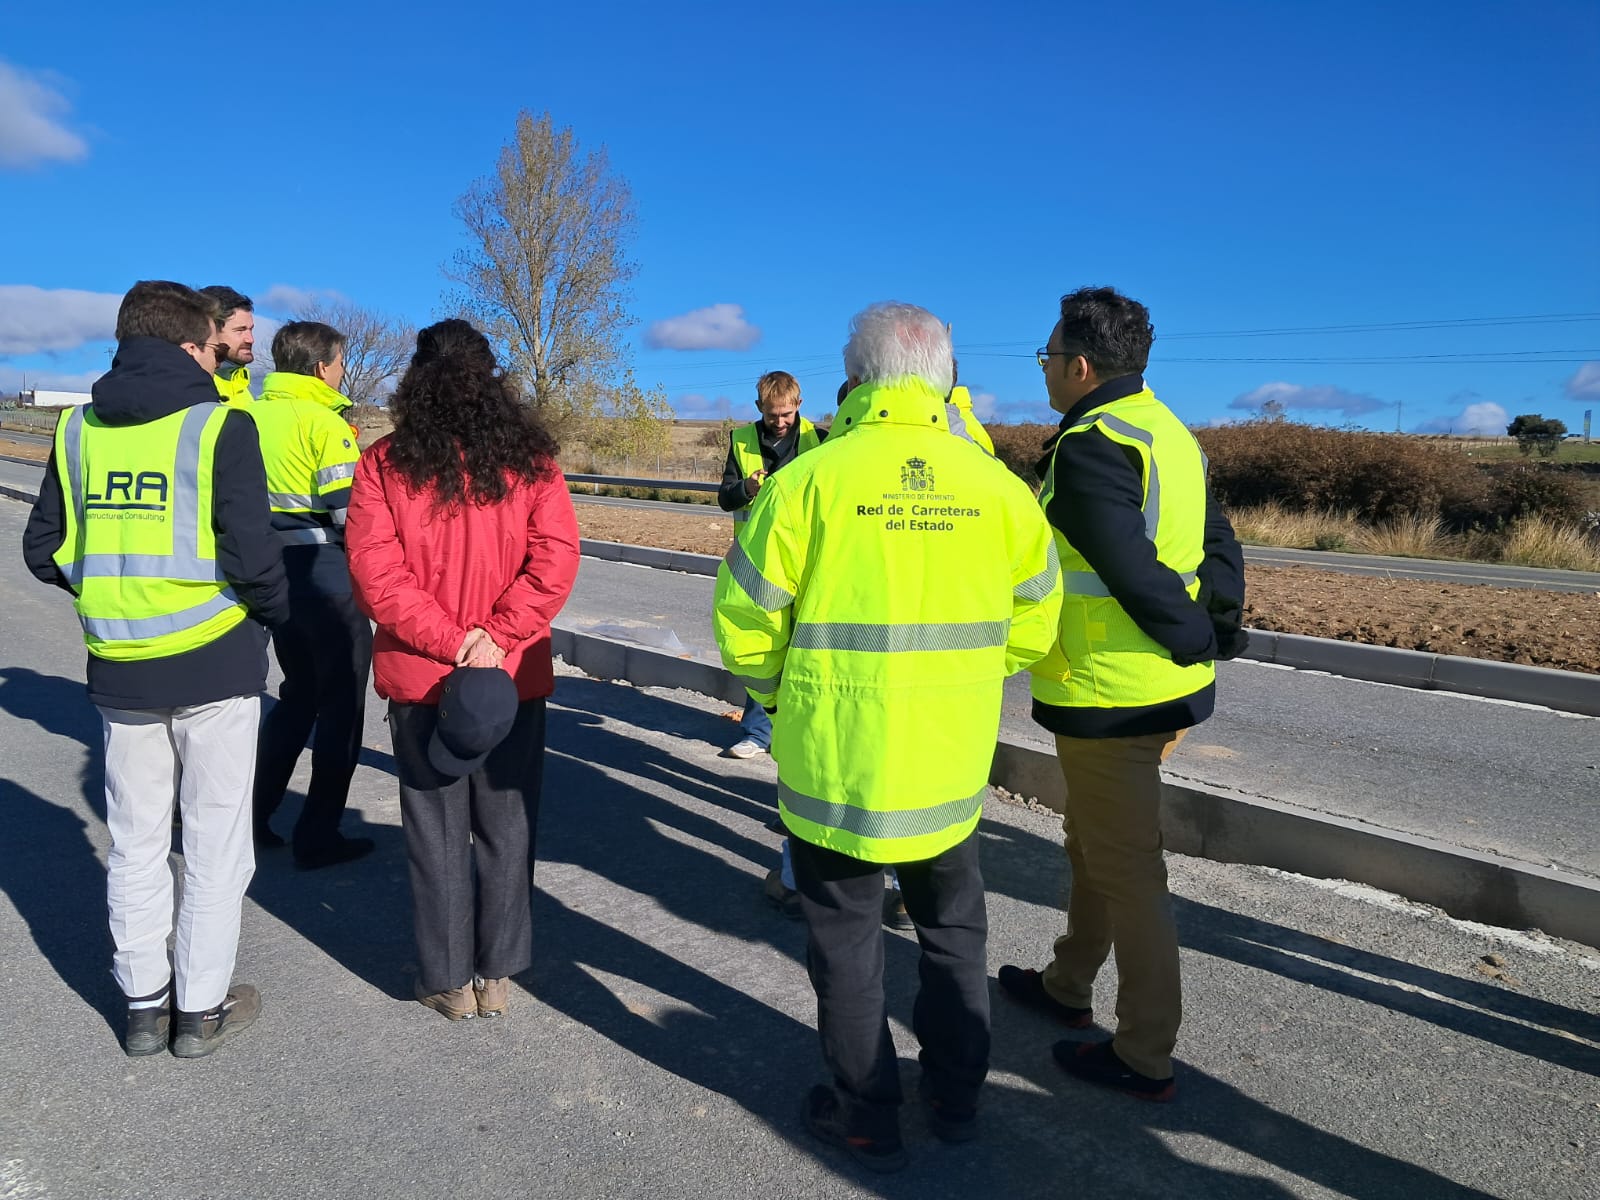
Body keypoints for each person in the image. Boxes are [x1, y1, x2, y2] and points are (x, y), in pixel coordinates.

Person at [713, 302, 1061, 1171]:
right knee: (953, 934)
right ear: (943, 378)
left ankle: (865, 1112)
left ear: (860, 379)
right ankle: (954, 1098)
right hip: (948, 761)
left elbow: (745, 621)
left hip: (838, 766)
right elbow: (1037, 620)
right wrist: (969, 679)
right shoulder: (999, 490)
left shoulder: (810, 481)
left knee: (848, 943)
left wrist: (781, 702)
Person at [22, 280, 288, 1058]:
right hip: (216, 661)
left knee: (136, 841)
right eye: (212, 346)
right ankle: (200, 1010)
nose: (217, 357)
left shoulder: (77, 431)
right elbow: (253, 555)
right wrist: (272, 616)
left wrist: (110, 591)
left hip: (120, 671)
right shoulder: (220, 425)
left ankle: (143, 1005)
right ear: (188, 344)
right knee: (213, 843)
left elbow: (44, 549)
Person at [1000, 286, 1247, 1103]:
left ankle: (1144, 1051)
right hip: (1162, 688)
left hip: (1113, 692)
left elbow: (1125, 564)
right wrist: (1217, 631)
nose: (1043, 371)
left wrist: (1189, 634)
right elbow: (1218, 542)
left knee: (1128, 867)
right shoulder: (1168, 430)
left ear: (1078, 365)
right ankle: (1070, 983)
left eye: (1045, 357)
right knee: (1093, 844)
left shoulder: (1092, 444)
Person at [345, 319, 579, 1022]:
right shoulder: (533, 461)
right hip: (511, 676)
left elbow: (375, 575)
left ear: (416, 379)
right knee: (509, 825)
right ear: (494, 379)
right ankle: (499, 974)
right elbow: (556, 560)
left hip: (424, 678)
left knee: (436, 828)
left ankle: (447, 980)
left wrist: (451, 642)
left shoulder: (383, 463)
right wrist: (495, 638)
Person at [248, 321, 375, 867]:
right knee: (342, 706)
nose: (342, 371)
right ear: (323, 367)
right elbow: (351, 515)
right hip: (324, 570)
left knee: (296, 695)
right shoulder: (325, 424)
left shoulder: (241, 415)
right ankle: (318, 833)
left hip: (267, 571)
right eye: (341, 362)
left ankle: (252, 815)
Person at [716, 370, 824, 760]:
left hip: (806, 560)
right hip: (758, 564)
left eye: (787, 414)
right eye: (773, 415)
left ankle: (797, 731)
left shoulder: (820, 441)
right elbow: (725, 498)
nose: (780, 422)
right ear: (759, 407)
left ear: (799, 405)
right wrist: (747, 488)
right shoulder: (741, 440)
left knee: (804, 648)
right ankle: (758, 733)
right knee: (763, 647)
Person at [197, 285, 256, 405]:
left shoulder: (244, 386)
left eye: (251, 330)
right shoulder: (195, 385)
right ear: (210, 330)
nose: (250, 339)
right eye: (240, 330)